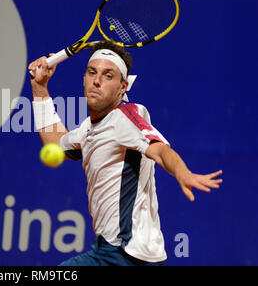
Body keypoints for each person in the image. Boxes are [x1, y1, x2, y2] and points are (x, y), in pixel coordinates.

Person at [28, 41, 223, 266]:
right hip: (111, 251)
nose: (97, 80)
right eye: (92, 72)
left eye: (108, 76)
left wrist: (182, 172)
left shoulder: (127, 117)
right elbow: (56, 144)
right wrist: (40, 88)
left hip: (127, 254)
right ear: (84, 78)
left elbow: (159, 150)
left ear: (123, 87)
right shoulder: (88, 129)